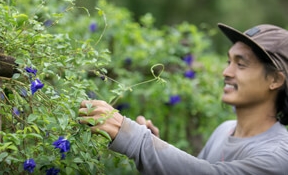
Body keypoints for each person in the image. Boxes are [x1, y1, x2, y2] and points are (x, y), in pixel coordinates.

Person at [78, 23, 288, 175]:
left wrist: (134, 138)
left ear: (275, 80)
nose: (226, 72)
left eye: (241, 65)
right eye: (228, 61)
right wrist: (156, 146)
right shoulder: (225, 129)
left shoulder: (279, 156)